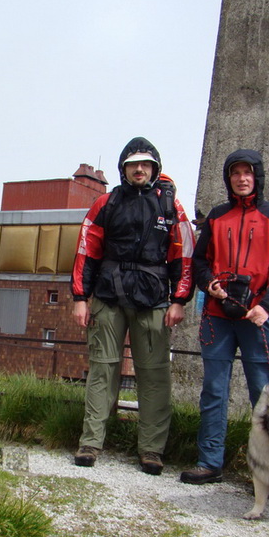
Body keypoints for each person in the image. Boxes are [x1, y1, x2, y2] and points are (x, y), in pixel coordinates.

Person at [71, 137, 195, 475]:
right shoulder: (105, 204)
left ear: (155, 168)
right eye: (132, 164)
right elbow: (87, 250)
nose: (139, 169)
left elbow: (184, 256)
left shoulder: (171, 207)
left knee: (154, 376)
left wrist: (180, 300)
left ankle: (152, 450)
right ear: (123, 169)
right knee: (102, 369)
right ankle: (90, 443)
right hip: (108, 298)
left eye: (145, 164)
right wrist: (81, 298)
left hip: (153, 301)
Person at [180, 149, 269, 485]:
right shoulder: (216, 217)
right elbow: (200, 262)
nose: (241, 179)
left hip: (258, 318)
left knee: (268, 395)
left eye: (247, 173)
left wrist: (266, 305)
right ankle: (209, 461)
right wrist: (210, 284)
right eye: (235, 173)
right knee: (214, 391)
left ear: (257, 177)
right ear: (228, 179)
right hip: (218, 316)